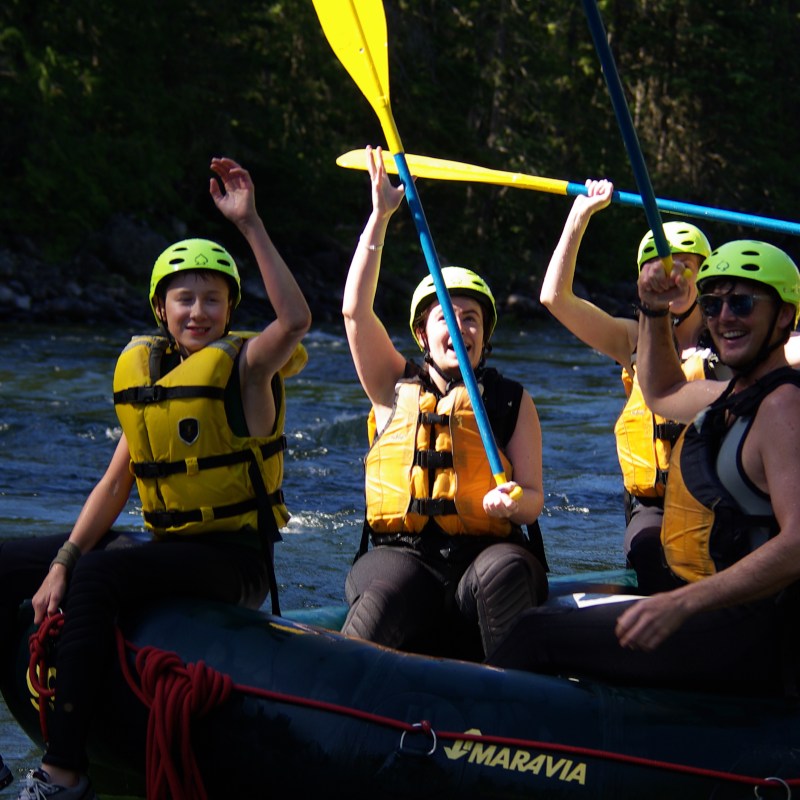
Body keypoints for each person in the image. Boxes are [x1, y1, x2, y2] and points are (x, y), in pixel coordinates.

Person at [0, 157, 311, 799]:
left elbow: (296, 322)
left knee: (102, 575)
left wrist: (250, 223)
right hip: (169, 552)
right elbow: (115, 488)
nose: (198, 312)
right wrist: (60, 560)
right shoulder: (151, 384)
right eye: (184, 299)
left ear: (230, 309)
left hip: (234, 560)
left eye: (212, 300)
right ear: (161, 309)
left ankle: (63, 771)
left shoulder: (248, 369)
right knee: (17, 563)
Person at [489, 240, 800, 696]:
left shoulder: (784, 408)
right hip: (717, 614)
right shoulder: (731, 397)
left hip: (753, 629)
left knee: (538, 635)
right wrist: (653, 310)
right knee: (542, 627)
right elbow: (661, 391)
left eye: (743, 302)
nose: (724, 317)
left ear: (786, 317)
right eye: (713, 304)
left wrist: (680, 604)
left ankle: (465, 745)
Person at [339, 146, 548, 660]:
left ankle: (515, 711)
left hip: (484, 555)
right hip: (401, 558)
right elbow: (353, 312)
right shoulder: (392, 385)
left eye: (471, 317)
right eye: (446, 318)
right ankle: (341, 702)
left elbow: (535, 497)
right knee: (385, 597)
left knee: (507, 570)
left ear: (486, 333)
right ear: (421, 333)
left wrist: (513, 502)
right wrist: (380, 218)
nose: (460, 327)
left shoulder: (511, 400)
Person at [540, 180, 725, 593]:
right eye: (660, 269)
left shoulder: (734, 341)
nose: (671, 278)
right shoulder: (632, 340)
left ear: (703, 278)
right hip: (654, 506)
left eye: (684, 268)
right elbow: (555, 297)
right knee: (650, 550)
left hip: (720, 499)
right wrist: (580, 214)